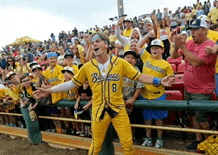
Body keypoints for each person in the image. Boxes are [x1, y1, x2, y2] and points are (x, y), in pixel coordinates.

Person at [34, 32, 175, 155]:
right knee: (96, 145)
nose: (94, 44)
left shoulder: (120, 62)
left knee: (128, 144)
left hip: (118, 109)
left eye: (97, 41)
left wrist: (159, 80)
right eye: (92, 42)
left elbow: (140, 77)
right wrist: (50, 90)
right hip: (99, 110)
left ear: (106, 45)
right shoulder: (88, 67)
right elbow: (72, 83)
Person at [171, 18, 217, 151]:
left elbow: (196, 62)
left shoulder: (210, 46)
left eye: (196, 29)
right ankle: (198, 140)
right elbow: (173, 56)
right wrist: (175, 44)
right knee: (193, 116)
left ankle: (209, 144)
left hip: (202, 90)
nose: (193, 32)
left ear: (204, 30)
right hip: (189, 87)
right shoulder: (190, 43)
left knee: (202, 118)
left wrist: (182, 46)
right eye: (192, 29)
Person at [137, 33, 173, 148]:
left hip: (158, 95)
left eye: (157, 48)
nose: (154, 49)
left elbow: (171, 79)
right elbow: (138, 46)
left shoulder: (166, 64)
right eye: (152, 47)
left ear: (162, 50)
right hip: (145, 94)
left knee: (158, 120)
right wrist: (147, 35)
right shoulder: (147, 57)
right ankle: (148, 138)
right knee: (147, 120)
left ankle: (159, 139)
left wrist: (164, 81)